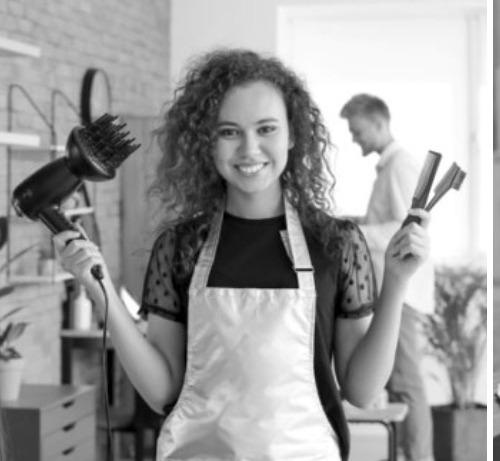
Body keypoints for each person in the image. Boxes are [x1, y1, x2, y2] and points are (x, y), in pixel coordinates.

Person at [53, 49, 432, 460]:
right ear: (206, 143)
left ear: (292, 134)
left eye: (266, 128)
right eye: (229, 132)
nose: (249, 149)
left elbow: (361, 389)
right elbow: (161, 391)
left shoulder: (336, 244)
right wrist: (102, 292)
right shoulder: (180, 247)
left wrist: (395, 283)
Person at [339, 94, 434, 461]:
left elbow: (404, 228)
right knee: (398, 384)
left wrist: (355, 233)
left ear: (380, 124)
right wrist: (354, 222)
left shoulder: (400, 167)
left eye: (358, 130)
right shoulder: (388, 168)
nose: (355, 138)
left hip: (403, 296)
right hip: (394, 293)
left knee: (408, 386)